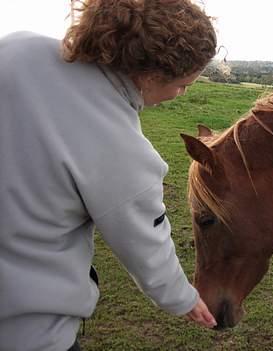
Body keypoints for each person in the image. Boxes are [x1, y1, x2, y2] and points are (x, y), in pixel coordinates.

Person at [0, 0, 218, 350]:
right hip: (26, 330)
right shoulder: (123, 150)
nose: (181, 95)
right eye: (183, 85)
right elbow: (147, 247)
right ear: (149, 76)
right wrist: (183, 299)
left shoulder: (16, 48)